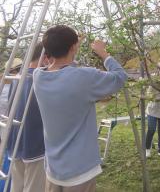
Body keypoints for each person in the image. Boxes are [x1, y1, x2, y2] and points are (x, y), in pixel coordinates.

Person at [33, 25, 127, 192]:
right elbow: (120, 77)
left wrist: (72, 47)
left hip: (53, 168)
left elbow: (65, 68)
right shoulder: (85, 77)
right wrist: (102, 52)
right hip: (80, 170)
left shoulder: (38, 76)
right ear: (73, 47)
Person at [7, 43, 47, 192]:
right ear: (45, 58)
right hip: (35, 144)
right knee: (33, 187)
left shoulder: (18, 77)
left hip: (15, 142)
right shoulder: (41, 79)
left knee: (16, 185)